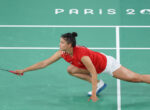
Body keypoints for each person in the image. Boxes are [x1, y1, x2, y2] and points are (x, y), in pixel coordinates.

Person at [14, 32, 150, 102]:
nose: (59, 44)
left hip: (107, 65)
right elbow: (44, 63)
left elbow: (93, 71)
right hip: (95, 62)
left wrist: (95, 94)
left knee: (136, 78)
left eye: (62, 43)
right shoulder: (62, 53)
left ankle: (97, 84)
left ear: (69, 45)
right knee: (70, 70)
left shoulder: (82, 55)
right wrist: (23, 70)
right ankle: (98, 84)